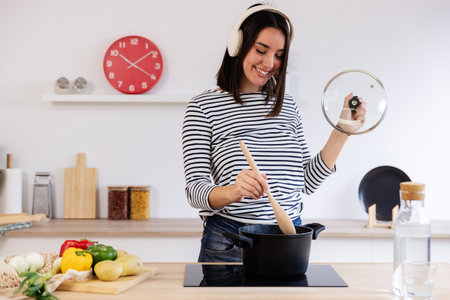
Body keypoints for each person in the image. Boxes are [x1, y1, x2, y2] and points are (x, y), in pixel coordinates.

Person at [182, 4, 366, 262]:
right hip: (229, 243)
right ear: (237, 45)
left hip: (288, 240)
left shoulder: (288, 106)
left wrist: (342, 131)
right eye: (261, 50)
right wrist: (234, 191)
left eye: (279, 54)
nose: (269, 63)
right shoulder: (203, 107)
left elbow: (307, 182)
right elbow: (195, 190)